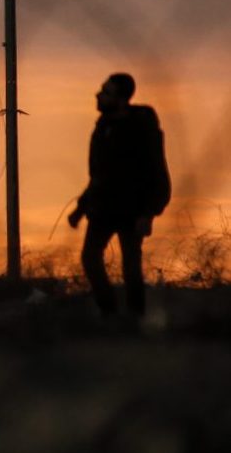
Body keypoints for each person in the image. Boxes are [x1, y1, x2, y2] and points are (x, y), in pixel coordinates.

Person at [67, 72, 171, 320]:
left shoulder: (141, 130)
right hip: (102, 209)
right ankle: (109, 313)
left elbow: (158, 174)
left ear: (121, 99)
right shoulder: (103, 128)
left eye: (106, 92)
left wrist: (148, 213)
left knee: (131, 267)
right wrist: (81, 209)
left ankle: (134, 317)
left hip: (132, 210)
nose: (99, 95)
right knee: (90, 259)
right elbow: (99, 175)